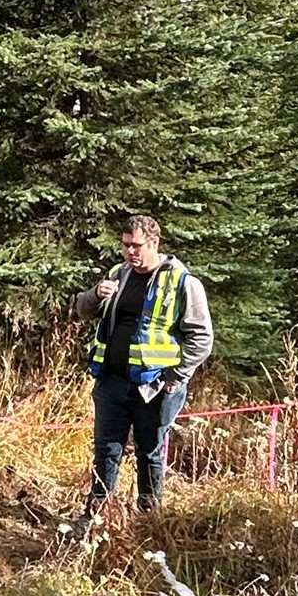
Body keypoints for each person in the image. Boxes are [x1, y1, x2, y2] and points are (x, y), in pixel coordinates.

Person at [69, 213, 214, 532]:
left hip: (155, 386)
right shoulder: (117, 274)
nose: (130, 252)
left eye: (136, 246)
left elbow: (202, 339)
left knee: (149, 453)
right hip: (112, 381)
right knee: (106, 451)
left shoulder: (182, 283)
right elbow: (82, 310)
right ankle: (93, 517)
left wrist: (174, 378)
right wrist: (95, 294)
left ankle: (148, 522)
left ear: (154, 243)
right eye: (125, 245)